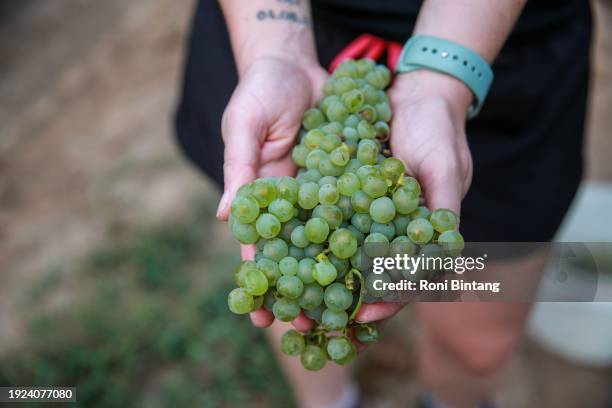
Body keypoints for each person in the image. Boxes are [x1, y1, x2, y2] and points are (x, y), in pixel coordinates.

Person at [175, 0, 592, 406]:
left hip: (491, 48)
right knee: (293, 302)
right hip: (277, 39)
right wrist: (273, 49)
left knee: (479, 346)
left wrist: (443, 80)